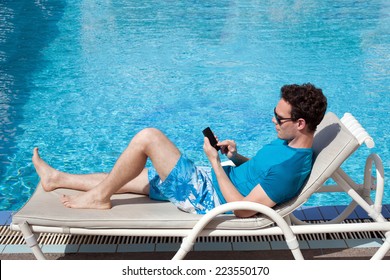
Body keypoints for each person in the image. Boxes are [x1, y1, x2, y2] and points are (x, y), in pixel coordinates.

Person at [32, 83, 327, 218]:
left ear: (300, 123)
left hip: (209, 198)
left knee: (148, 137)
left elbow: (244, 210)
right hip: (217, 179)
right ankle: (57, 178)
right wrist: (234, 157)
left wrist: (212, 163)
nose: (273, 120)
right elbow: (263, 174)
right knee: (130, 177)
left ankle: (98, 198)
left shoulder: (291, 168)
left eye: (279, 118)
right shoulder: (288, 144)